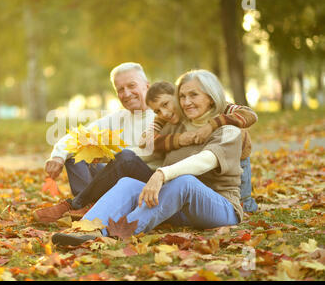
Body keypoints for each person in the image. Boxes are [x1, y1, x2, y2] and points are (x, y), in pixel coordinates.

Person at [52, 69, 248, 246]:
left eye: (193, 95)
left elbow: (206, 160)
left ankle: (117, 234)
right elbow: (145, 153)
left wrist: (162, 174)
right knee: (128, 183)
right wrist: (110, 159)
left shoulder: (229, 130)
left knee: (184, 182)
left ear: (211, 97)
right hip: (179, 209)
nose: (186, 102)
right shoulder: (175, 126)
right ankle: (85, 229)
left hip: (220, 208)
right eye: (182, 96)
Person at [34, 62, 160, 222]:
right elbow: (78, 135)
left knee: (125, 157)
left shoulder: (162, 115)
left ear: (147, 86)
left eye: (131, 85)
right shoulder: (118, 118)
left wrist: (108, 156)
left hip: (147, 183)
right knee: (77, 152)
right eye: (120, 89)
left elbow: (148, 154)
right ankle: (90, 206)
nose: (126, 93)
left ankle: (77, 204)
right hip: (116, 177)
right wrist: (58, 156)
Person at [140, 81, 258, 212]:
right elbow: (145, 141)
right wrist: (179, 139)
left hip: (237, 156)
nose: (164, 113)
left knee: (243, 199)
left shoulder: (215, 105)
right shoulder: (164, 117)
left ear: (177, 96)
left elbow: (250, 115)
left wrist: (211, 125)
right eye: (157, 111)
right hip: (212, 155)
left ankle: (246, 205)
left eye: (165, 104)